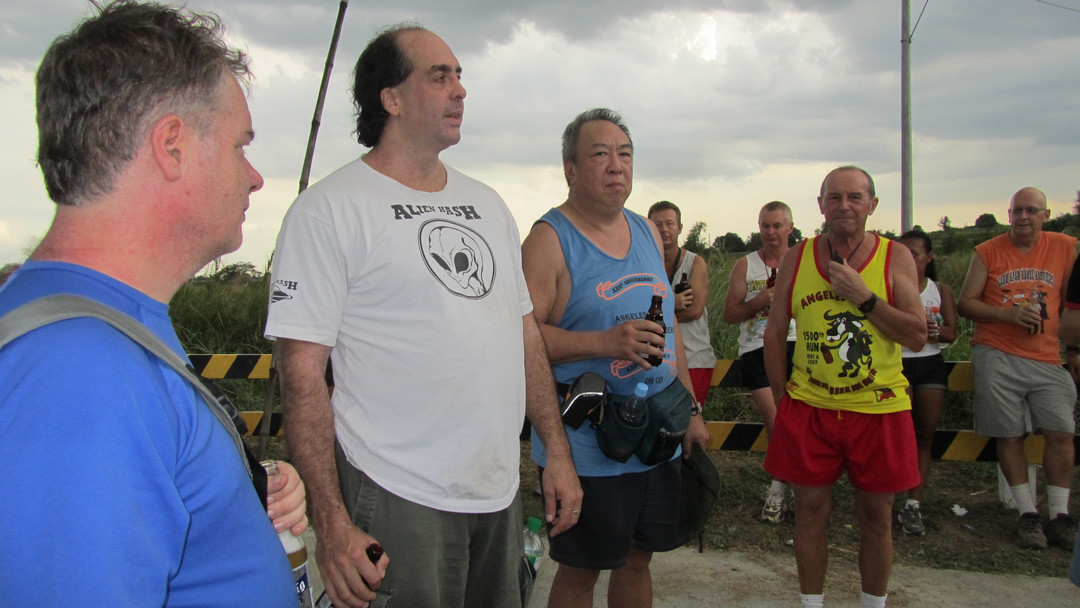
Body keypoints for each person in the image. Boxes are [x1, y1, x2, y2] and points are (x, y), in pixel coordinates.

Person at [0, 2, 306, 606]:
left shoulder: (102, 328)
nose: (254, 177)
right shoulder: (79, 371)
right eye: (240, 146)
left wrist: (236, 492)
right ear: (172, 146)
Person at [265, 25, 581, 608]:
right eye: (439, 77)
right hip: (394, 490)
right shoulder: (327, 210)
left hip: (497, 492)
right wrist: (331, 522)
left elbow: (523, 335)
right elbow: (301, 374)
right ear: (391, 98)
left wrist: (555, 452)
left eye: (459, 75)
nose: (460, 90)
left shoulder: (489, 205)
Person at [521, 108, 710, 608]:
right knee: (582, 569)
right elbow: (519, 337)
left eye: (624, 154)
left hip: (656, 430)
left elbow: (668, 330)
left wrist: (691, 409)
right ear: (570, 169)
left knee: (638, 559)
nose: (616, 166)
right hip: (587, 439)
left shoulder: (646, 230)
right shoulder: (548, 240)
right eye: (600, 154)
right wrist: (604, 343)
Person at [763, 166, 925, 608]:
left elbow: (916, 335)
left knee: (877, 518)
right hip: (810, 409)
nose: (844, 206)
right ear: (820, 206)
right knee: (809, 515)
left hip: (879, 408)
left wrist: (864, 297)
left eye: (855, 197)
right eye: (834, 197)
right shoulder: (798, 257)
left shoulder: (894, 257)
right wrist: (782, 399)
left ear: (872, 204)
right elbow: (774, 333)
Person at [957, 187, 1077, 551]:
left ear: (1046, 215)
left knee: (1061, 430)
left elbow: (1072, 302)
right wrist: (1007, 315)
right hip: (997, 351)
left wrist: (1073, 348)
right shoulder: (988, 250)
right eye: (1017, 210)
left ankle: (1060, 514)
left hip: (1046, 355)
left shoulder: (1065, 247)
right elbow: (966, 303)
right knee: (1009, 434)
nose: (1023, 216)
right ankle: (1027, 513)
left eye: (1031, 210)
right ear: (1009, 215)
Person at [722, 201, 799, 523]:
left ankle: (793, 486)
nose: (771, 232)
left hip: (798, 344)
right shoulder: (746, 265)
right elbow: (729, 314)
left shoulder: (801, 262)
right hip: (757, 347)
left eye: (777, 226)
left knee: (800, 421)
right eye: (765, 226)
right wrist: (759, 302)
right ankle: (782, 487)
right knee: (776, 420)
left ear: (789, 228)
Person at [895, 229, 957, 536]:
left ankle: (913, 504)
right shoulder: (888, 288)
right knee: (898, 434)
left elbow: (951, 332)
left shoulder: (940, 290)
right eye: (902, 253)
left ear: (928, 258)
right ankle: (886, 494)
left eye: (914, 254)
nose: (908, 259)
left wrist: (935, 331)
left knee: (924, 436)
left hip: (930, 363)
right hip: (898, 364)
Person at [648, 200, 716, 405]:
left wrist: (659, 309)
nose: (664, 229)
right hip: (656, 360)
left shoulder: (695, 263)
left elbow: (694, 311)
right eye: (657, 224)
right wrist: (673, 302)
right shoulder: (646, 264)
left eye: (669, 223)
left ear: (679, 228)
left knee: (688, 418)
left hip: (694, 358)